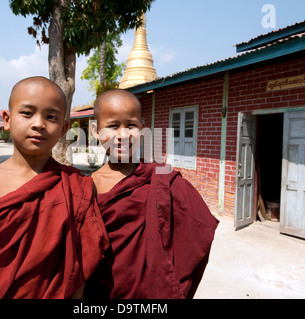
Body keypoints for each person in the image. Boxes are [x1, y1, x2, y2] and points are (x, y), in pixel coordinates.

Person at [0, 76, 109, 299]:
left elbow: (78, 268)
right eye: (27, 113)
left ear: (63, 129)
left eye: (51, 117)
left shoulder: (78, 186)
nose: (38, 123)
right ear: (7, 119)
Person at [85, 89, 219, 299]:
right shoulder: (88, 185)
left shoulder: (161, 179)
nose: (122, 135)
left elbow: (198, 230)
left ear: (143, 129)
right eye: (112, 126)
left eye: (131, 125)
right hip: (101, 292)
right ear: (95, 130)